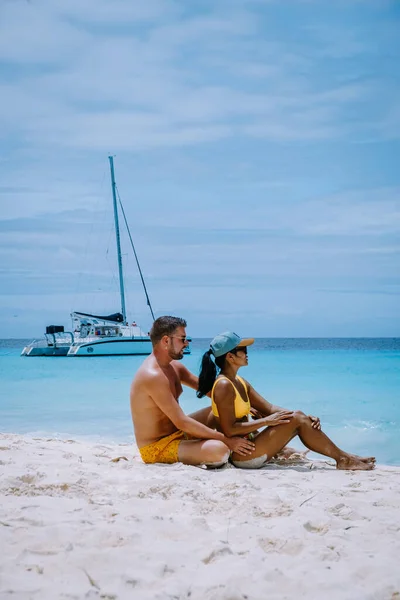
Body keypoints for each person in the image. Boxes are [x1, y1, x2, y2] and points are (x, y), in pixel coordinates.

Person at [197, 331, 376, 470]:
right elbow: (229, 430)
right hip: (241, 455)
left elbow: (269, 407)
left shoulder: (240, 382)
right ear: (230, 356)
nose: (247, 353)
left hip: (252, 444)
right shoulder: (223, 385)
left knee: (298, 416)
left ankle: (344, 456)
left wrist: (304, 417)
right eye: (243, 350)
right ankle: (343, 459)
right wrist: (266, 421)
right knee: (296, 418)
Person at [130, 317, 255, 467]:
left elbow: (210, 392)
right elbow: (181, 421)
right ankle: (235, 446)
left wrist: (242, 408)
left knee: (221, 410)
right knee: (219, 450)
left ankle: (252, 443)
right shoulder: (152, 375)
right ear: (165, 341)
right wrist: (225, 440)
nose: (186, 343)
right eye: (182, 339)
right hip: (157, 447)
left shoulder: (175, 367)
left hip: (177, 433)